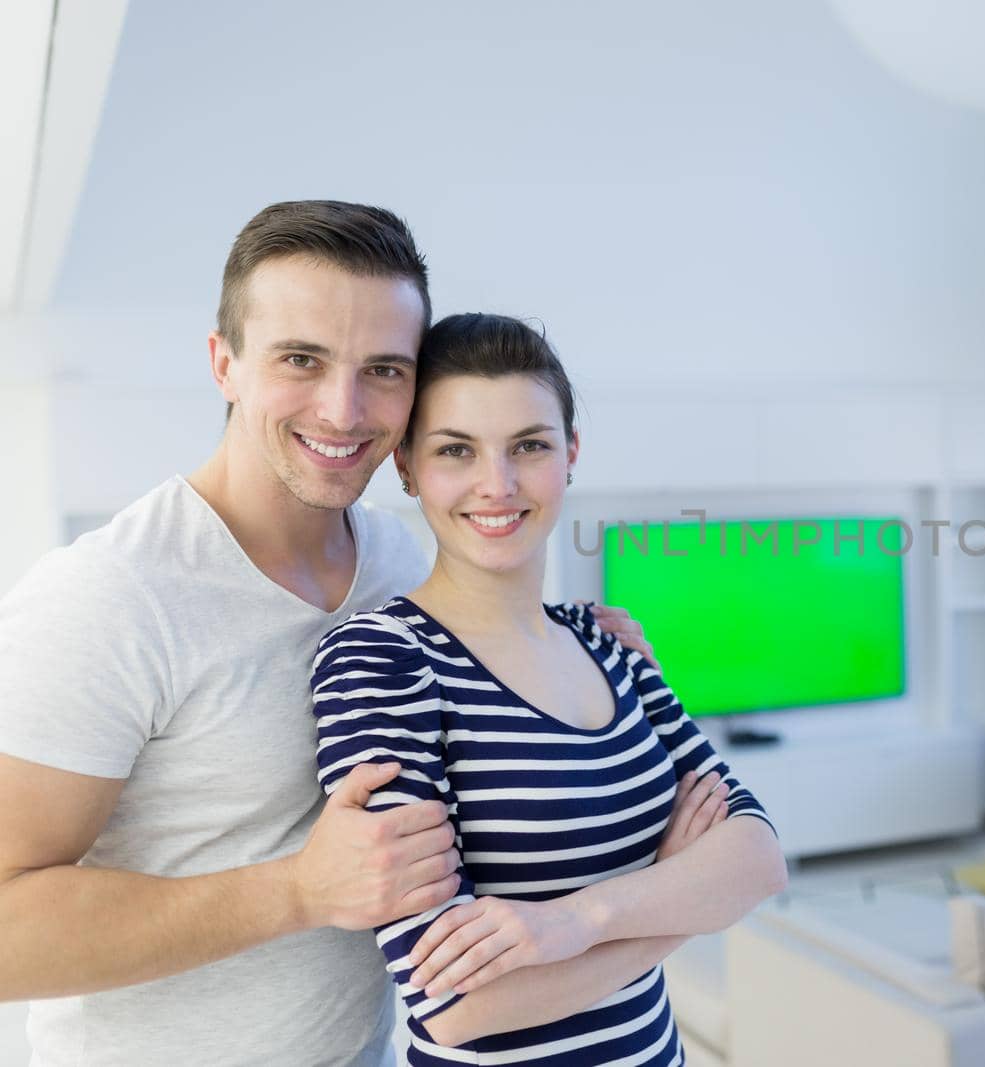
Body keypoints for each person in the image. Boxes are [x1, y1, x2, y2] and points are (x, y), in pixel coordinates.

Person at [0, 201, 655, 1065]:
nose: (344, 409)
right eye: (301, 359)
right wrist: (297, 893)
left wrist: (573, 641)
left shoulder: (396, 555)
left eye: (384, 368)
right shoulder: (110, 596)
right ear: (223, 362)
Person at [311, 313, 787, 1064]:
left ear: (570, 453)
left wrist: (581, 918)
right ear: (406, 467)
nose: (496, 485)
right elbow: (455, 1005)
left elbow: (759, 857)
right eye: (456, 450)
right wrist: (677, 895)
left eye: (528, 445)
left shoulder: (605, 641)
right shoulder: (383, 661)